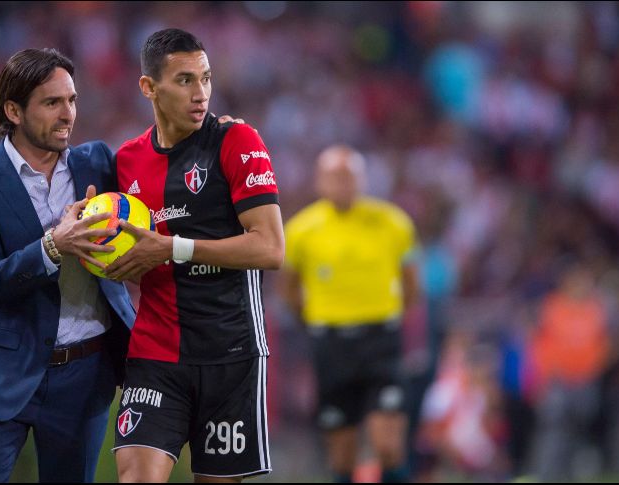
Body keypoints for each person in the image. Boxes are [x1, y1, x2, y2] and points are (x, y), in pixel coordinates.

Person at [0, 48, 136, 483]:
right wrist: (52, 246)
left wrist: (213, 135)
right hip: (1, 378)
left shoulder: (98, 162)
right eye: (52, 103)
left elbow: (157, 163)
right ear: (13, 110)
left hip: (85, 375)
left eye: (72, 100)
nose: (68, 114)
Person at [103, 28, 284, 483]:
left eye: (205, 78)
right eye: (184, 80)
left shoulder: (237, 141)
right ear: (149, 87)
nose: (200, 93)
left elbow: (270, 247)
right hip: (155, 354)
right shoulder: (126, 162)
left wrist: (174, 249)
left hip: (231, 353)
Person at [281, 145, 421, 483]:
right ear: (319, 181)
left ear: (363, 180)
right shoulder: (302, 230)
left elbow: (411, 285)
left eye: (349, 176)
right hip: (331, 345)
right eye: (334, 176)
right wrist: (317, 319)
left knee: (387, 445)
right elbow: (290, 290)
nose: (342, 184)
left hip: (379, 341)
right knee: (342, 456)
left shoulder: (393, 222)